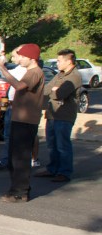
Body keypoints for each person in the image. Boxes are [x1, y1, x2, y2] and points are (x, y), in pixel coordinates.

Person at [0, 43, 44, 203]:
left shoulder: (35, 72)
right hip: (18, 118)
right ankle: (16, 189)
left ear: (31, 58)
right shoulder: (29, 71)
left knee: (21, 157)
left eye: (21, 56)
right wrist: (2, 66)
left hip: (26, 120)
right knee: (14, 156)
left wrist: (4, 68)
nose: (19, 59)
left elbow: (19, 85)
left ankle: (20, 192)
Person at [36, 48, 80, 183]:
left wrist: (55, 91)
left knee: (63, 145)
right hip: (52, 114)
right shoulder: (59, 74)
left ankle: (64, 172)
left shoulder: (74, 76)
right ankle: (52, 168)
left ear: (69, 61)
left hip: (64, 116)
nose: (57, 64)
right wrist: (54, 91)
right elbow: (48, 89)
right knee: (52, 144)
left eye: (59, 61)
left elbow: (61, 94)